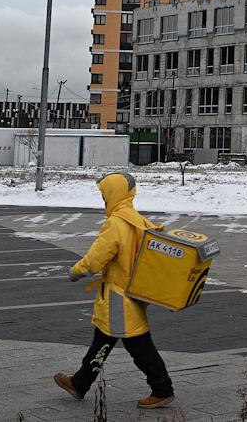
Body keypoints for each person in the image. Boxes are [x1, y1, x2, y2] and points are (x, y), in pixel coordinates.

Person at [53, 171, 176, 409]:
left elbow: (97, 258)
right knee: (104, 338)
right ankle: (79, 383)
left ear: (113, 194)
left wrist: (76, 271)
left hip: (119, 296)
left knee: (137, 344)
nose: (103, 199)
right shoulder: (138, 219)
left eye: (104, 194)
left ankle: (162, 389)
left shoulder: (116, 223)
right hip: (133, 292)